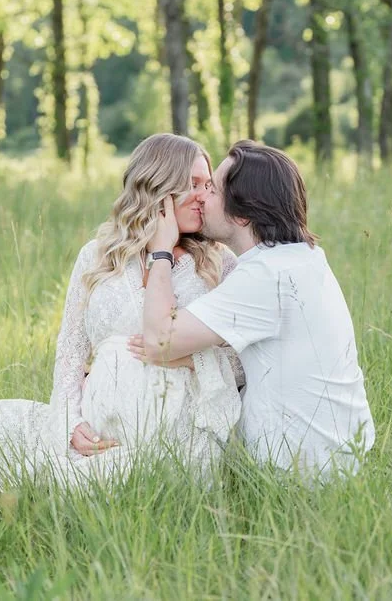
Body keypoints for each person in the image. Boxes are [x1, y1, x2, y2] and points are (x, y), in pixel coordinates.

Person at [0, 134, 243, 489]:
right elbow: (71, 350)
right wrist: (70, 422)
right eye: (192, 184)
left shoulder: (219, 263)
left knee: (113, 484)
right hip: (97, 425)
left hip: (179, 430)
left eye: (208, 185)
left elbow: (247, 361)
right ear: (157, 185)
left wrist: (191, 361)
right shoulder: (98, 255)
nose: (203, 196)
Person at [129, 140, 375, 480]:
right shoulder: (302, 258)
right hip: (339, 455)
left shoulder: (265, 277)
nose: (199, 196)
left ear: (242, 213)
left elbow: (159, 341)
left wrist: (161, 252)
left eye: (211, 189)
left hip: (299, 472)